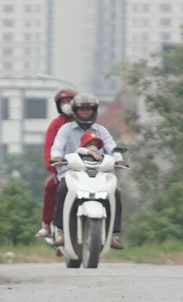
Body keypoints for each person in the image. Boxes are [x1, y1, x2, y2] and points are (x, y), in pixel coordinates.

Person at [49, 92, 126, 249]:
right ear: (75, 111)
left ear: (94, 111)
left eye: (88, 109)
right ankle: (61, 231)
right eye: (82, 109)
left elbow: (112, 147)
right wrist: (57, 157)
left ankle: (112, 234)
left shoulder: (101, 130)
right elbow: (57, 147)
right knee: (62, 189)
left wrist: (118, 159)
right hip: (72, 173)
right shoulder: (65, 129)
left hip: (99, 174)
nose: (85, 112)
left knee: (115, 192)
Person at [37, 88, 79, 238]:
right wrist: (52, 170)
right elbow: (49, 147)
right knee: (51, 186)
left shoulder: (85, 122)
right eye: (63, 102)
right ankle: (47, 224)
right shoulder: (56, 124)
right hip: (63, 168)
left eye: (69, 101)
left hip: (85, 167)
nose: (66, 104)